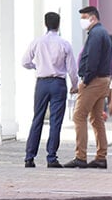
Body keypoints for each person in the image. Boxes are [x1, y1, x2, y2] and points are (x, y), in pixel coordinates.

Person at [22, 12, 79, 168]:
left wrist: (37, 66)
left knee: (37, 118)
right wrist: (75, 85)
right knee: (55, 121)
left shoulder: (37, 42)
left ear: (45, 24)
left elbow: (25, 61)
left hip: (42, 82)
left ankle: (29, 157)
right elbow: (72, 69)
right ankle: (51, 157)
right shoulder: (64, 44)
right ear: (58, 24)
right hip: (58, 83)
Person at [66, 6, 112, 169]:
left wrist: (85, 81)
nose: (82, 21)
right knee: (96, 118)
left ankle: (81, 156)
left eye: (85, 17)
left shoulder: (95, 34)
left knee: (79, 116)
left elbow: (92, 60)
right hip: (103, 80)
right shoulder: (102, 33)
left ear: (93, 18)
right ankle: (101, 156)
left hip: (94, 81)